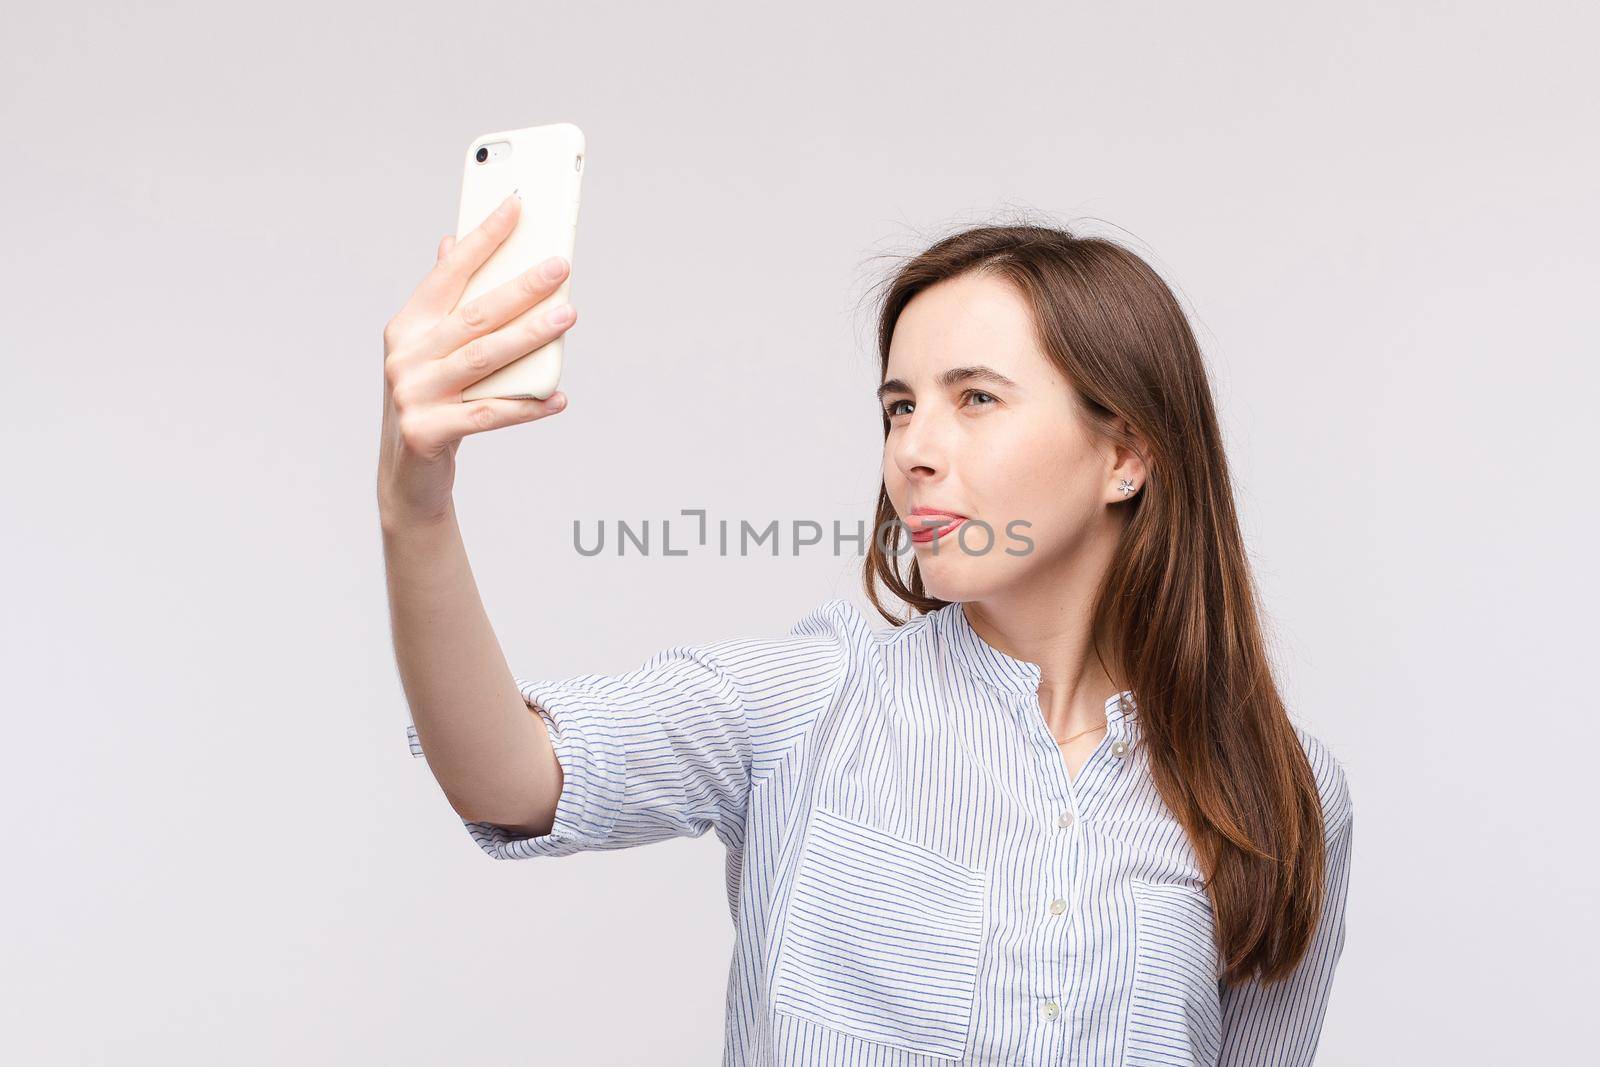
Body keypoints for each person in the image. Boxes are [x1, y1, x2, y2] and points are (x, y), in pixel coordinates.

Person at [379, 195, 1353, 1066]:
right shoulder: (813, 696)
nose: (912, 450)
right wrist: (415, 507)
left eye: (974, 397)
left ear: (1126, 454)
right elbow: (505, 773)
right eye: (898, 407)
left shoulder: (1278, 789)